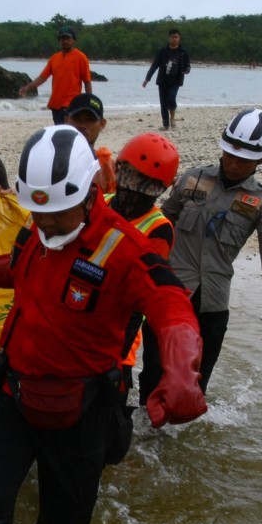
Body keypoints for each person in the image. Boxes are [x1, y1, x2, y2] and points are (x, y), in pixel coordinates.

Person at [0, 125, 206, 524]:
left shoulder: (127, 249)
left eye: (58, 213)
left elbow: (171, 307)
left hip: (80, 410)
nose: (46, 224)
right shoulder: (35, 228)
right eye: (37, 214)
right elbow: (18, 267)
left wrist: (181, 370)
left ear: (90, 191)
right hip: (10, 393)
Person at [139, 108, 262, 404]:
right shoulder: (192, 180)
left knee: (196, 382)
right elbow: (157, 223)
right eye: (229, 155)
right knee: (154, 373)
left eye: (244, 160)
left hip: (212, 305)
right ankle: (148, 435)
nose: (233, 164)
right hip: (170, 295)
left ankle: (181, 439)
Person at [106, 132, 180, 389]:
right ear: (119, 171)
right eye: (130, 178)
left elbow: (142, 292)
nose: (135, 189)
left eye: (146, 185)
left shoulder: (159, 228)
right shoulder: (99, 203)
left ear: (159, 189)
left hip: (123, 328)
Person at [19, 26, 92, 125]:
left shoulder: (81, 58)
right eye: (62, 39)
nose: (65, 41)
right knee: (58, 129)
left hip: (71, 103)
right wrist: (27, 88)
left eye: (67, 39)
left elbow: (87, 81)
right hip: (55, 103)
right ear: (59, 41)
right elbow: (42, 78)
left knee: (65, 130)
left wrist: (89, 102)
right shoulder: (54, 58)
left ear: (74, 40)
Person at [64, 92, 115, 194]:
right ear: (66, 120)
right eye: (77, 118)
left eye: (90, 120)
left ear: (102, 124)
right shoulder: (52, 159)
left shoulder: (106, 166)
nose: (82, 125)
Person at [142, 28, 191, 131]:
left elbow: (188, 66)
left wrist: (186, 71)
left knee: (171, 99)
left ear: (179, 38)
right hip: (162, 80)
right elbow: (155, 65)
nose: (174, 39)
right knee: (163, 103)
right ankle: (165, 125)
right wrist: (147, 78)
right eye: (172, 37)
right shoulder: (163, 51)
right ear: (169, 38)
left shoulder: (183, 52)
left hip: (176, 81)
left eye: (176, 37)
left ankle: (172, 119)